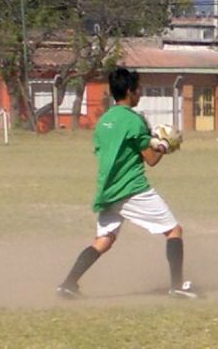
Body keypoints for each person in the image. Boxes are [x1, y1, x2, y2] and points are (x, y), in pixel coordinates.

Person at [56, 67, 196, 299]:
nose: (140, 93)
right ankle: (177, 287)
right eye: (138, 89)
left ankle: (68, 284)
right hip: (131, 188)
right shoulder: (135, 121)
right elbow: (151, 160)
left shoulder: (104, 121)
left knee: (104, 240)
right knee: (174, 230)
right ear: (130, 92)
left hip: (107, 190)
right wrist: (164, 145)